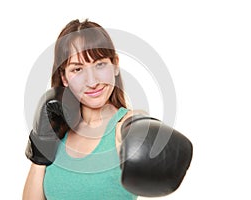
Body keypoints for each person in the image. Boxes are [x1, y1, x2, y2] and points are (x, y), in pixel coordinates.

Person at [22, 19, 193, 200]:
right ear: (64, 78)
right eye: (77, 69)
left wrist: (140, 126)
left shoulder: (125, 129)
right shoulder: (58, 131)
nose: (92, 81)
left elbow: (141, 131)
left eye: (100, 64)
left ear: (115, 65)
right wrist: (41, 147)